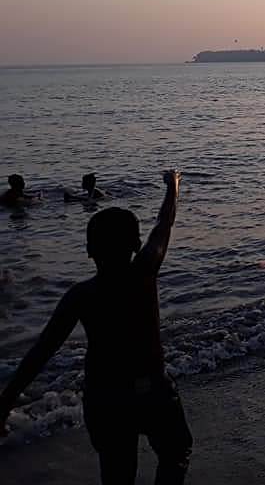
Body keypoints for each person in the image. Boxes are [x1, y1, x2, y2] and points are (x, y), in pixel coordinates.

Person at [0, 171, 192, 484]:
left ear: (89, 250)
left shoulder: (81, 296)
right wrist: (173, 185)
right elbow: (164, 223)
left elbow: (42, 350)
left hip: (105, 397)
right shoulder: (144, 272)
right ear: (135, 244)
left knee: (117, 473)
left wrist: (7, 400)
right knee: (175, 453)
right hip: (152, 390)